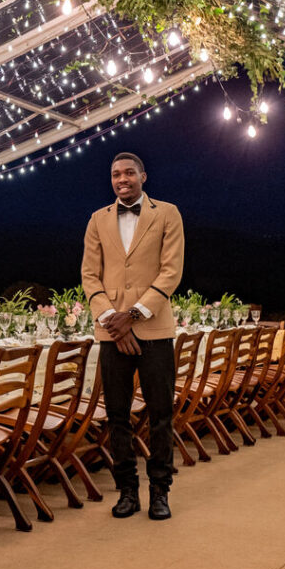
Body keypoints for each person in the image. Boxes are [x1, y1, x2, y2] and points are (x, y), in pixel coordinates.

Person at [81, 152, 184, 521]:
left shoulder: (167, 213)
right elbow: (90, 276)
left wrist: (134, 316)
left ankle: (160, 492)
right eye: (115, 175)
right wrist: (113, 321)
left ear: (143, 175)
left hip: (154, 328)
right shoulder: (97, 220)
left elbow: (171, 272)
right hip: (112, 332)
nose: (121, 179)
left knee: (160, 413)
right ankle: (127, 490)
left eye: (128, 173)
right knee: (117, 415)